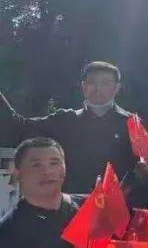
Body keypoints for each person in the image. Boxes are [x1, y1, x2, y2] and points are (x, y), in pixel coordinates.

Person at [0, 60, 136, 196]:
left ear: (117, 88)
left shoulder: (131, 124)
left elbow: (142, 170)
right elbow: (21, 127)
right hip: (71, 203)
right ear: (83, 86)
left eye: (105, 83)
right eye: (91, 82)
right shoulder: (65, 120)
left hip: (115, 204)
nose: (98, 88)